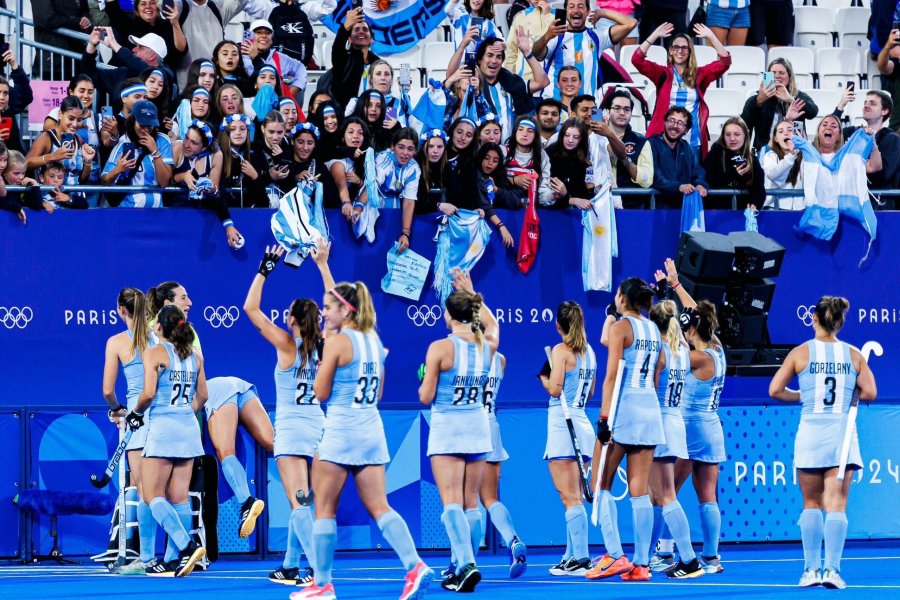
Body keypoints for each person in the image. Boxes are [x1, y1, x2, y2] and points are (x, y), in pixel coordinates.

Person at [293, 266, 433, 600]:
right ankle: (414, 566)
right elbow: (379, 392)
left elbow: (321, 392)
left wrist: (319, 367)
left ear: (345, 310)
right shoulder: (374, 341)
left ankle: (322, 585)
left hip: (341, 429)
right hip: (371, 429)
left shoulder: (340, 342)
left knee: (324, 509)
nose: (323, 313)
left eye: (328, 308)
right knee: (380, 506)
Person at [769, 296, 877, 590]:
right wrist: (852, 392)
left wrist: (801, 396)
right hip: (842, 435)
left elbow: (775, 390)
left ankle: (810, 570)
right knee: (837, 504)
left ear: (814, 318)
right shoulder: (854, 355)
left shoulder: (800, 353)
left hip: (811, 434)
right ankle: (833, 570)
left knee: (811, 503)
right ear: (839, 321)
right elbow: (870, 392)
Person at [245, 242, 331, 586]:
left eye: (288, 312)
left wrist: (266, 267)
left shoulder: (285, 343)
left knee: (299, 505)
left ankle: (318, 572)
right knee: (307, 501)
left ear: (292, 319)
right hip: (320, 428)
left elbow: (250, 309)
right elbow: (338, 306)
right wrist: (323, 266)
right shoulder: (325, 343)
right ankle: (290, 565)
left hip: (292, 431)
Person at [419, 268, 499, 592]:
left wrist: (426, 377)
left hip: (449, 428)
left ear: (448, 314)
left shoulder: (440, 348)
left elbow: (425, 396)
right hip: (478, 426)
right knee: (471, 503)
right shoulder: (486, 345)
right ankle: (466, 563)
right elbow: (494, 326)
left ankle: (464, 565)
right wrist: (473, 290)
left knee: (451, 501)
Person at [587, 278, 663, 582]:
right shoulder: (654, 329)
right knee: (639, 489)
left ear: (622, 298)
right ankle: (641, 564)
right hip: (649, 408)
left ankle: (615, 555)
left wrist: (604, 419)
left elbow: (610, 378)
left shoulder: (620, 327)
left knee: (599, 481)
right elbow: (656, 372)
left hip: (624, 410)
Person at [127, 304, 207, 577]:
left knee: (151, 495)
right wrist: (184, 413)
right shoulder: (195, 356)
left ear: (159, 327)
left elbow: (148, 393)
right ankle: (174, 559)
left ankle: (186, 546)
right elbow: (203, 397)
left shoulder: (155, 353)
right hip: (188, 430)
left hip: (162, 431)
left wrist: (135, 413)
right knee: (179, 497)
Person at [664, 258, 728, 575]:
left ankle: (663, 551)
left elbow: (668, 356)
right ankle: (712, 557)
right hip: (711, 426)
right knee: (707, 495)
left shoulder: (696, 357)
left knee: (668, 490)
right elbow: (700, 318)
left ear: (691, 330)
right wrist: (676, 286)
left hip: (691, 428)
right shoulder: (716, 347)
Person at [101, 288, 159, 574]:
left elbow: (108, 390)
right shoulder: (160, 340)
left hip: (137, 419)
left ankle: (148, 557)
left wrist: (117, 409)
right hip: (161, 418)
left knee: (145, 489)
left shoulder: (116, 342)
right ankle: (171, 552)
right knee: (162, 490)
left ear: (121, 311)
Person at [645, 298, 703, 578]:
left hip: (661, 424)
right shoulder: (681, 347)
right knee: (656, 496)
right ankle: (645, 557)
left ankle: (689, 559)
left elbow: (649, 392)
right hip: (675, 422)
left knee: (665, 495)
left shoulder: (661, 353)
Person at [540, 301, 596, 577]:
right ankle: (571, 555)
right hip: (582, 422)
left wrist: (543, 378)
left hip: (564, 427)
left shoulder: (561, 352)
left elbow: (554, 390)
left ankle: (582, 558)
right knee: (573, 497)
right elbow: (591, 389)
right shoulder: (591, 353)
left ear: (558, 325)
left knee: (569, 496)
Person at [632, 23, 731, 159]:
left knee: (692, 179)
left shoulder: (700, 75)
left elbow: (725, 62)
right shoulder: (663, 73)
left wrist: (711, 36)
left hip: (693, 141)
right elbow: (637, 60)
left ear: (690, 51)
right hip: (664, 139)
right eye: (676, 47)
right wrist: (654, 35)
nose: (680, 51)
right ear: (671, 51)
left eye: (684, 47)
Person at [532, 0, 637, 99]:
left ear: (588, 12)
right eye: (571, 6)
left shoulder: (597, 36)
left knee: (601, 116)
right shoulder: (555, 35)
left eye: (581, 6)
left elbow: (631, 23)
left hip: (589, 106)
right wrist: (547, 36)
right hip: (555, 104)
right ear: (566, 12)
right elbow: (535, 54)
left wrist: (602, 12)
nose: (576, 10)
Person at [26, 96, 97, 209]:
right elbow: (26, 163)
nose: (75, 124)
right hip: (51, 205)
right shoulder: (47, 138)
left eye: (79, 120)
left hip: (74, 203)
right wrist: (52, 156)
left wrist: (88, 161)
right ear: (60, 115)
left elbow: (82, 179)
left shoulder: (78, 140)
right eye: (71, 118)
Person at [100, 100, 174, 208]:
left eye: (149, 125)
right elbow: (104, 181)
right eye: (142, 124)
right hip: (129, 213)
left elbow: (164, 183)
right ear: (133, 120)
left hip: (156, 214)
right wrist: (118, 169)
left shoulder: (162, 140)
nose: (146, 130)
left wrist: (155, 152)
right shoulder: (124, 143)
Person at [835, 90, 900, 208]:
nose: (866, 105)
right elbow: (829, 136)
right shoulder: (852, 132)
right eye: (865, 102)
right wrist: (841, 106)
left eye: (872, 103)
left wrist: (851, 165)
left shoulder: (892, 139)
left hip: (879, 205)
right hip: (849, 202)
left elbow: (883, 175)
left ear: (884, 111)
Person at [741, 58, 817, 152]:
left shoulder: (798, 95)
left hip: (793, 150)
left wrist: (790, 99)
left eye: (781, 73)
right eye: (773, 73)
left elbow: (813, 112)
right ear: (767, 76)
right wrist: (758, 101)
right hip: (765, 152)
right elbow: (743, 125)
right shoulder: (757, 99)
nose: (777, 76)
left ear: (789, 78)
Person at [647, 106, 708, 209]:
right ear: (665, 123)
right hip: (657, 209)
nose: (674, 126)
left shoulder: (687, 148)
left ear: (686, 130)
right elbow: (654, 177)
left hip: (683, 209)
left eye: (680, 123)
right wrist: (679, 187)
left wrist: (700, 184)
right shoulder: (651, 144)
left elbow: (698, 172)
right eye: (671, 120)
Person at [603, 89, 654, 208]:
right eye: (617, 108)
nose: (622, 112)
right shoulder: (595, 138)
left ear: (631, 113)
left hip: (630, 206)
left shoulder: (641, 141)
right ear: (607, 111)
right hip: (598, 205)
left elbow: (647, 181)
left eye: (627, 109)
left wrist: (626, 161)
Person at [104, 0, 187, 72]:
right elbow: (112, 9)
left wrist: (175, 23)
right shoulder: (129, 25)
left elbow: (181, 51)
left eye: (152, 3)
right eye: (143, 4)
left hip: (159, 77)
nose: (148, 7)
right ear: (137, 9)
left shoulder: (168, 25)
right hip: (130, 76)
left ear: (158, 6)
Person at [702, 117, 765, 210]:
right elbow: (709, 181)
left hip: (741, 213)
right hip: (717, 213)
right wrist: (734, 174)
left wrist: (755, 204)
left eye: (737, 134)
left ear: (745, 135)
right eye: (728, 134)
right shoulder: (715, 154)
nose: (732, 138)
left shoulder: (752, 160)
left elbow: (759, 189)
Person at [331, 8, 382, 110]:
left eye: (365, 29)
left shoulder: (379, 64)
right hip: (346, 116)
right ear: (349, 39)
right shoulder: (343, 58)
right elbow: (338, 46)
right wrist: (346, 26)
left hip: (372, 114)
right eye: (356, 29)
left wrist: (403, 90)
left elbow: (387, 95)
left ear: (371, 39)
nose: (361, 32)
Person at [242, 19, 307, 97]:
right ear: (251, 36)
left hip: (276, 105)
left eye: (267, 33)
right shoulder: (241, 57)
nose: (263, 36)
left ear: (272, 38)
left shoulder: (280, 58)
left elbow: (300, 68)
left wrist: (295, 88)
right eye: (258, 32)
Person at [545, 119, 595, 210]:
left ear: (581, 139)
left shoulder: (582, 156)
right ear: (561, 135)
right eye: (567, 135)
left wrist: (594, 189)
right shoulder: (550, 153)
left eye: (576, 137)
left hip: (575, 208)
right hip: (552, 209)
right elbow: (548, 193)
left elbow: (580, 190)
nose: (570, 140)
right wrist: (572, 199)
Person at [761, 120, 804, 210]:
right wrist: (791, 156)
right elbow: (773, 175)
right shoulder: (770, 156)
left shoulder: (804, 156)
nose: (786, 134)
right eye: (781, 131)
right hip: (774, 209)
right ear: (776, 138)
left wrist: (805, 146)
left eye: (790, 130)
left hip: (799, 210)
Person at [0, 50, 34, 155]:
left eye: (5, 93)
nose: (2, 97)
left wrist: (14, 65)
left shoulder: (7, 112)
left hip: (14, 165)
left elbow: (25, 96)